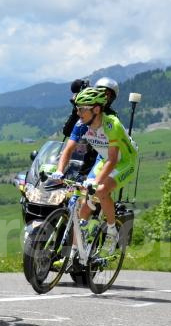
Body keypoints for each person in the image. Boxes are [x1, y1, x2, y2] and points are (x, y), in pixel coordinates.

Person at [49, 87, 138, 258]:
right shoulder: (81, 125)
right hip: (105, 160)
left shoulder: (112, 125)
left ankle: (112, 232)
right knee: (83, 202)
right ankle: (75, 252)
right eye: (77, 108)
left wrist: (95, 182)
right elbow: (68, 150)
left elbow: (113, 160)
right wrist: (60, 171)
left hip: (124, 162)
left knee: (101, 190)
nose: (78, 112)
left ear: (96, 109)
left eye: (82, 109)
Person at [61, 77, 120, 177]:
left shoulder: (111, 117)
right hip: (76, 158)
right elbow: (67, 132)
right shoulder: (85, 110)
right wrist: (76, 110)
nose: (104, 96)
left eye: (107, 94)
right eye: (100, 92)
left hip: (96, 159)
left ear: (112, 98)